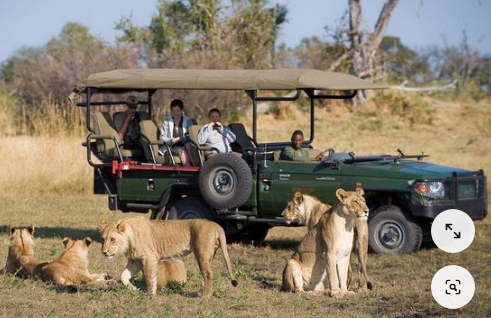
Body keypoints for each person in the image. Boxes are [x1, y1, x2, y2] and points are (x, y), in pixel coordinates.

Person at [159, 99, 194, 166]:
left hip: (185, 146)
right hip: (170, 148)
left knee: (191, 149)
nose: (175, 113)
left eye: (178, 111)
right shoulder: (167, 120)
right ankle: (189, 172)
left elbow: (192, 137)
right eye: (173, 111)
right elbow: (161, 137)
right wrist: (170, 140)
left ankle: (198, 169)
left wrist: (183, 139)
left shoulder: (188, 121)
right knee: (182, 152)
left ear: (181, 111)